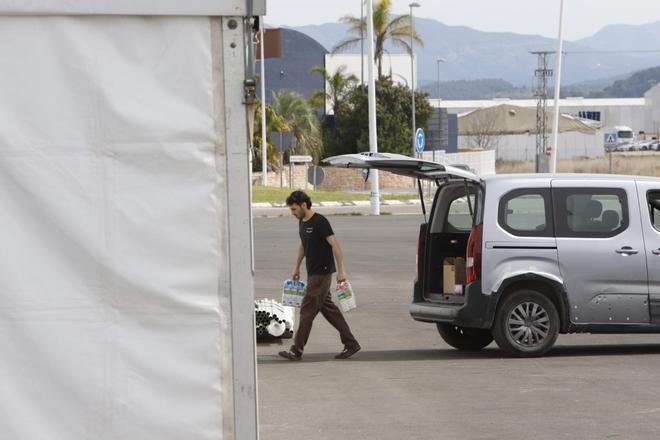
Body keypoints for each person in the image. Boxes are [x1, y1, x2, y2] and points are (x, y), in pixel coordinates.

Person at [278, 190, 361, 361]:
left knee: (307, 311)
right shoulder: (302, 222)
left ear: (303, 205)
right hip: (312, 273)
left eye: (294, 209)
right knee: (329, 310)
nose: (292, 213)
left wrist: (341, 271)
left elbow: (335, 246)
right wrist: (296, 267)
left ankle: (296, 350)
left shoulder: (320, 221)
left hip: (321, 274)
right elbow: (303, 245)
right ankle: (351, 343)